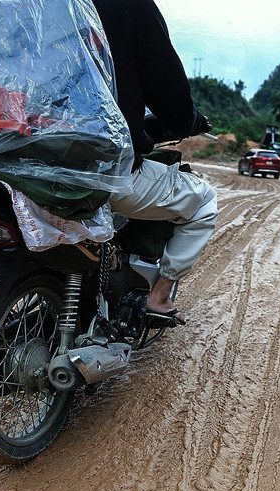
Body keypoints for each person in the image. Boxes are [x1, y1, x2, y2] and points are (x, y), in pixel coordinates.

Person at [91, 0, 218, 324]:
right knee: (203, 201)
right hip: (95, 168)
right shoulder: (127, 4)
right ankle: (158, 296)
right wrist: (188, 121)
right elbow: (168, 92)